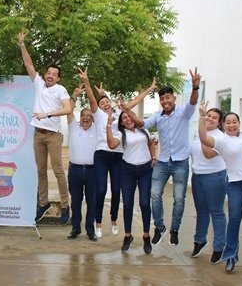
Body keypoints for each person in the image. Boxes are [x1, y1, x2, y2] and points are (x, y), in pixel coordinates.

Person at [128, 68, 201, 246]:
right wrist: (127, 110)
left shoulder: (184, 113)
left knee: (178, 198)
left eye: (168, 97)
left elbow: (192, 102)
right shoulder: (158, 117)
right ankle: (159, 227)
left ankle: (174, 229)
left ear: (173, 99)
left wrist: (195, 87)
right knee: (154, 194)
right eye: (162, 98)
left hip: (180, 162)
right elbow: (142, 123)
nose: (165, 101)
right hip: (162, 162)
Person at [79, 68, 155, 238]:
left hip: (118, 156)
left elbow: (133, 102)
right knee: (100, 190)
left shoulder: (120, 114)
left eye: (107, 101)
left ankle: (113, 220)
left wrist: (149, 90)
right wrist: (86, 81)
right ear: (98, 107)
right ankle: (97, 222)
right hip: (101, 155)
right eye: (102, 103)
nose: (105, 104)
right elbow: (92, 97)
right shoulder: (98, 115)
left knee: (116, 189)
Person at [198, 103, 242, 273]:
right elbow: (203, 139)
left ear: (239, 123)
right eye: (227, 122)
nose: (231, 125)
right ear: (222, 125)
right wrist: (201, 117)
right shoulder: (221, 140)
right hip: (236, 183)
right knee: (234, 219)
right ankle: (230, 256)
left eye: (234, 121)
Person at [17, 31, 73, 224]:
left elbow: (67, 109)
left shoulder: (61, 90)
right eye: (48, 73)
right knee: (40, 170)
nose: (50, 76)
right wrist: (22, 44)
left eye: (54, 75)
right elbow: (29, 65)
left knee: (57, 170)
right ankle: (43, 203)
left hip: (53, 136)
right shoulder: (39, 83)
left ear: (58, 78)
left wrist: (47, 114)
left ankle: (66, 206)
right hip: (38, 135)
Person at [106, 109, 156, 254]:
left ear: (134, 117)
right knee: (128, 203)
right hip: (127, 170)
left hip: (145, 170)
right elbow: (111, 145)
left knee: (145, 203)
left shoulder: (143, 130)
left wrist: (153, 158)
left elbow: (151, 144)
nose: (128, 119)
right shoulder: (121, 134)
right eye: (124, 118)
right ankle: (128, 235)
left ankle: (146, 236)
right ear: (121, 122)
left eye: (129, 116)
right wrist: (109, 126)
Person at [190, 107, 227, 263]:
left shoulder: (221, 138)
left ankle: (219, 247)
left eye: (214, 118)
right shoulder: (197, 133)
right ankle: (199, 240)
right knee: (201, 211)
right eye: (208, 116)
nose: (210, 119)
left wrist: (203, 131)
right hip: (197, 176)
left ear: (219, 123)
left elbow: (208, 154)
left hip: (214, 177)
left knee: (216, 211)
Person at [66, 84, 98, 241]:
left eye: (89, 115)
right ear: (80, 117)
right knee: (76, 200)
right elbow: (69, 111)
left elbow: (95, 107)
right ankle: (75, 228)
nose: (86, 117)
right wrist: (74, 95)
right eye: (83, 115)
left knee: (91, 202)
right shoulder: (73, 127)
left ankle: (90, 231)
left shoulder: (97, 129)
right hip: (75, 171)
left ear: (92, 118)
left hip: (93, 171)